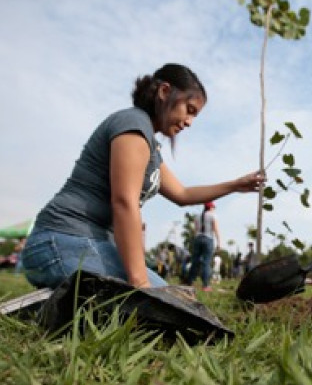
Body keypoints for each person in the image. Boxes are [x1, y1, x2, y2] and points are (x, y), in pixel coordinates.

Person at [21, 64, 264, 290]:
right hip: (61, 238)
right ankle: (44, 310)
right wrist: (140, 284)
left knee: (176, 302)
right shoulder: (133, 124)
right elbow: (124, 202)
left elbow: (182, 194)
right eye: (188, 110)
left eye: (195, 116)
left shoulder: (150, 146)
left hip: (95, 244)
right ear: (165, 91)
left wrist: (235, 185)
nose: (189, 122)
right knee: (149, 310)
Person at [186, 202, 222, 291]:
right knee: (206, 262)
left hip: (198, 239)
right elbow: (216, 229)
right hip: (208, 239)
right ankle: (206, 285)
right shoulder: (213, 215)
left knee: (195, 262)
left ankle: (190, 282)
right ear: (210, 207)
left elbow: (195, 230)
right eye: (213, 207)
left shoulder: (197, 216)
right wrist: (219, 243)